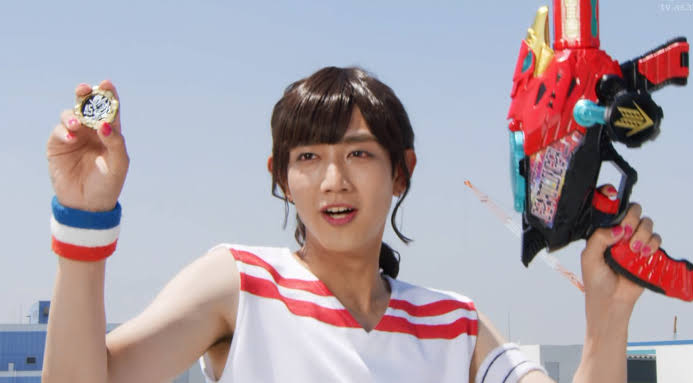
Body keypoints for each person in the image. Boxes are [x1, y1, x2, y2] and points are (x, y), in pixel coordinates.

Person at [42, 67, 661, 383]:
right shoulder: (242, 283)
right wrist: (83, 220)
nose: (333, 179)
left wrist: (607, 318)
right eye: (308, 157)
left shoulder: (454, 324)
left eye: (359, 153)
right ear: (281, 176)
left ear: (401, 171)